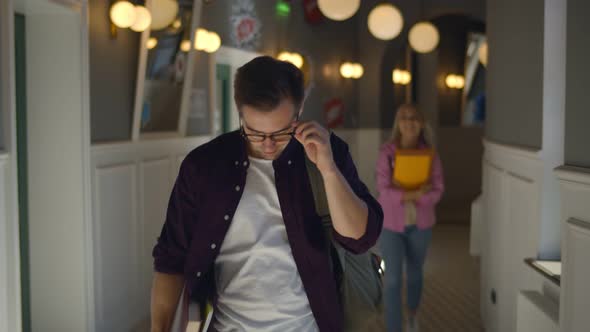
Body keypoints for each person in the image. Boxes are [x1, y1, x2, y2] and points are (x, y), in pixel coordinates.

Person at [150, 56, 383, 332]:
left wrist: (328, 169)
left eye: (282, 132)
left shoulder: (328, 151)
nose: (269, 145)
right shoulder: (204, 166)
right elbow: (171, 259)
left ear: (300, 110)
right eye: (255, 133)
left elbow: (360, 238)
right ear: (240, 114)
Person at [376, 104, 444, 332]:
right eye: (404, 117)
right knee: (393, 279)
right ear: (398, 123)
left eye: (414, 117)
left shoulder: (430, 154)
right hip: (391, 226)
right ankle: (394, 328)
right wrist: (415, 193)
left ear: (422, 122)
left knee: (415, 273)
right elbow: (383, 190)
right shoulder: (387, 152)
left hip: (421, 224)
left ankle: (413, 314)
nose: (409, 121)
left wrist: (409, 194)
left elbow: (438, 189)